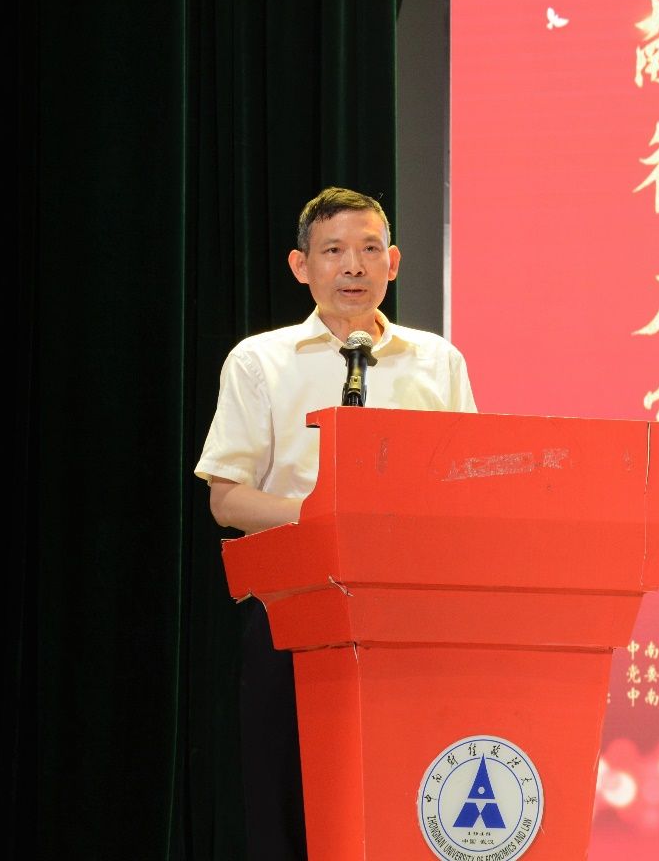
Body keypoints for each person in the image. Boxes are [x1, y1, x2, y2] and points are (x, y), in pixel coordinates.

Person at [194, 186, 477, 859]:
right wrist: (328, 518)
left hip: (412, 613)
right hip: (295, 607)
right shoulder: (259, 361)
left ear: (394, 263)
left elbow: (467, 484)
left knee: (409, 791)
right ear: (301, 266)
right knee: (290, 797)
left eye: (370, 249)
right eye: (333, 251)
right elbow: (228, 499)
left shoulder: (437, 361)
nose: (353, 265)